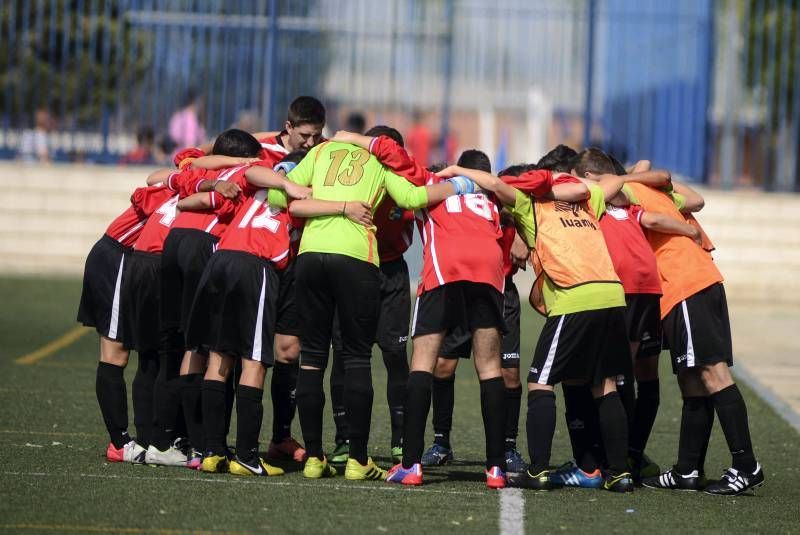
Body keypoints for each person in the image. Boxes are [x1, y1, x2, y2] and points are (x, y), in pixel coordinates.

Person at [442, 162, 666, 492]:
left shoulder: (530, 205)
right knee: (604, 384)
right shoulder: (587, 199)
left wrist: (455, 169)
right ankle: (619, 473)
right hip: (612, 294)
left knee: (540, 383)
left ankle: (538, 470)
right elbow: (615, 182)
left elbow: (492, 182)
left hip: (575, 296)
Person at [269, 127, 468, 482]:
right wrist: (459, 186)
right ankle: (358, 459)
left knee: (313, 357)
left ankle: (315, 457)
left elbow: (276, 195)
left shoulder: (321, 152)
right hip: (356, 257)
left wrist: (312, 198)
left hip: (311, 256)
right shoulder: (380, 159)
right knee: (357, 356)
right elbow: (412, 197)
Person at [345, 137, 508, 489]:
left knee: (422, 361)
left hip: (446, 267)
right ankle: (496, 468)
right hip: (490, 269)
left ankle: (411, 464)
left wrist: (354, 139)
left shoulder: (433, 183)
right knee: (491, 366)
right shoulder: (493, 195)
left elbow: (393, 154)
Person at [622, 179, 764, 495]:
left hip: (687, 284)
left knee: (713, 374)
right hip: (685, 287)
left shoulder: (628, 190)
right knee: (691, 379)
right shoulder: (658, 192)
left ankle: (747, 465)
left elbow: (653, 218)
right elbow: (695, 198)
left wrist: (628, 178)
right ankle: (687, 470)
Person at [414, 156, 529, 475]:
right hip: (458, 286)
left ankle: (508, 447)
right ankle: (441, 442)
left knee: (508, 374)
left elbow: (526, 206)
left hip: (499, 292)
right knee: (442, 365)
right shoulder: (453, 195)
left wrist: (519, 231)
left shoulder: (499, 192)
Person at [78, 182, 174, 463]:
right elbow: (144, 192)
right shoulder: (185, 183)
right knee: (114, 352)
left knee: (149, 347)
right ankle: (119, 442)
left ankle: (146, 437)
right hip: (120, 257)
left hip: (136, 264)